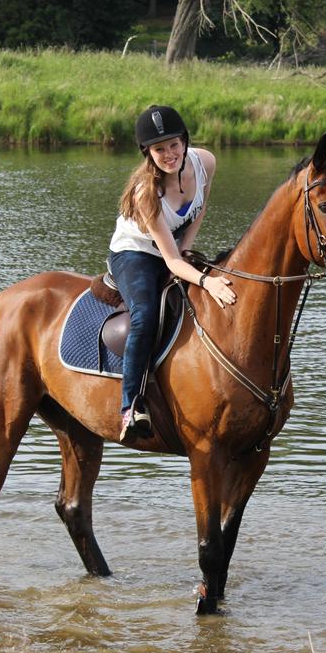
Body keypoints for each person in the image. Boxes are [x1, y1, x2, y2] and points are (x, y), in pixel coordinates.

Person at [108, 105, 237, 442]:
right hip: (135, 254)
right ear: (148, 154)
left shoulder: (205, 161)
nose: (169, 155)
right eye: (159, 149)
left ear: (185, 141)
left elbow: (200, 209)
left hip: (174, 248)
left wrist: (188, 248)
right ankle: (130, 406)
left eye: (174, 145)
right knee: (146, 315)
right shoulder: (146, 194)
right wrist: (207, 281)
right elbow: (169, 262)